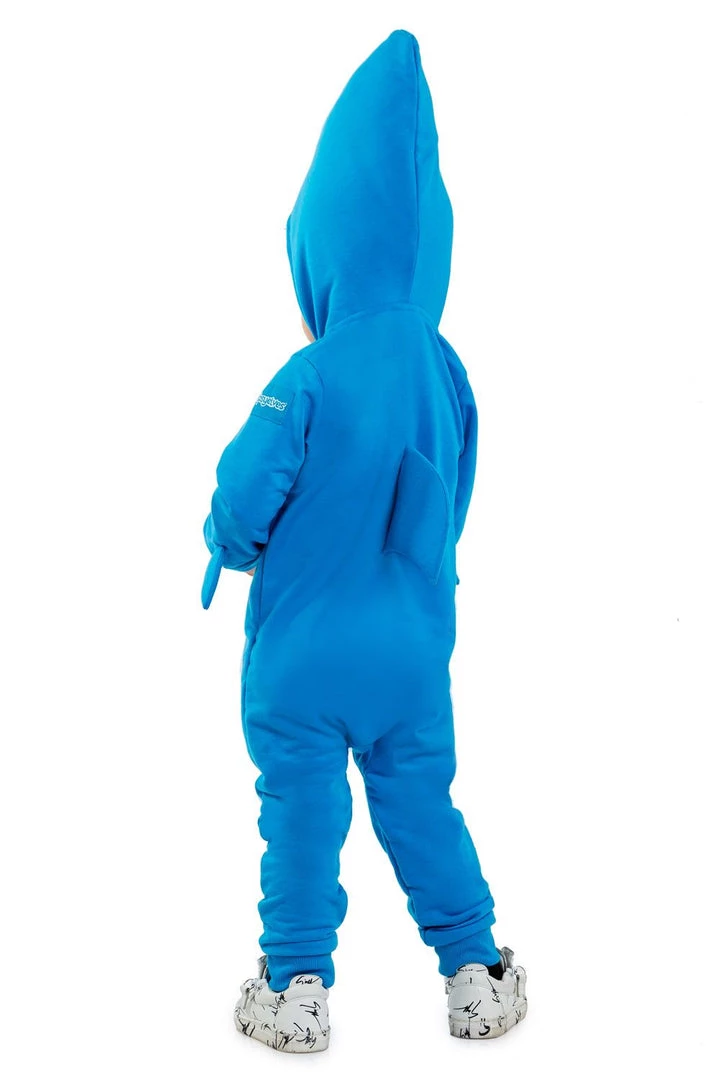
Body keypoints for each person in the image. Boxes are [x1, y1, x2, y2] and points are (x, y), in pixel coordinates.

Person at [201, 29, 527, 1054]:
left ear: (324, 245)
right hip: (411, 653)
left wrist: (228, 546)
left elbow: (244, 492)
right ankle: (475, 974)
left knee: (300, 813)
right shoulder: (449, 372)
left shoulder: (308, 374)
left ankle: (295, 989)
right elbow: (453, 500)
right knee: (422, 802)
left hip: (303, 654)